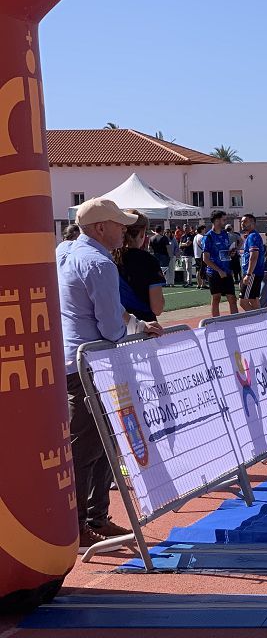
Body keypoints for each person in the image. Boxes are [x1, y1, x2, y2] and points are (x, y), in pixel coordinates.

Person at [58, 198, 162, 550]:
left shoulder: (68, 252)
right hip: (92, 363)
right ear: (100, 228)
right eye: (118, 224)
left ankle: (93, 518)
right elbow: (110, 326)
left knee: (100, 444)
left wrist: (134, 325)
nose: (125, 230)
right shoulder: (98, 264)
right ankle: (81, 525)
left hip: (78, 362)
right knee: (90, 446)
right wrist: (137, 330)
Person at [114, 209, 164, 322]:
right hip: (144, 325)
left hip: (117, 326)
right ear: (142, 233)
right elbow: (157, 308)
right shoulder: (149, 261)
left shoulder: (110, 257)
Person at [201, 211, 238, 316]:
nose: (225, 222)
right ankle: (216, 322)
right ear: (216, 220)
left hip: (227, 271)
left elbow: (226, 253)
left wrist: (231, 253)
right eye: (223, 219)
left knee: (232, 298)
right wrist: (219, 270)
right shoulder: (208, 237)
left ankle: (236, 320)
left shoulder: (225, 234)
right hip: (214, 272)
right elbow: (205, 259)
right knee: (216, 297)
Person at [237, 213, 265, 311]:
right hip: (254, 272)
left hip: (252, 273)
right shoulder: (252, 236)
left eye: (245, 221)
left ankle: (258, 320)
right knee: (253, 299)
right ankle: (262, 320)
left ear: (252, 223)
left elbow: (254, 256)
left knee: (243, 302)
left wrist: (248, 274)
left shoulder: (253, 237)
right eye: (241, 222)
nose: (242, 224)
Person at [192, 223, 207, 289]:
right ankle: (202, 284)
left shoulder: (195, 237)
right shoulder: (201, 237)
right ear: (202, 229)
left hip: (196, 254)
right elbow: (204, 246)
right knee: (202, 269)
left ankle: (198, 284)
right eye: (204, 229)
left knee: (198, 269)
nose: (205, 230)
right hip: (201, 254)